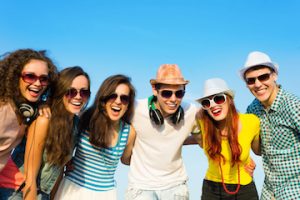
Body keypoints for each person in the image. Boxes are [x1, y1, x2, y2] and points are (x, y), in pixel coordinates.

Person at [122, 64, 198, 200]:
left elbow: (207, 137)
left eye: (179, 93)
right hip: (140, 188)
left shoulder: (191, 112)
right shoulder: (135, 108)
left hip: (176, 188)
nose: (173, 99)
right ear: (154, 90)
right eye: (167, 93)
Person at [55, 74, 136, 200]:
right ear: (103, 98)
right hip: (73, 190)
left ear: (128, 104)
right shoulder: (85, 119)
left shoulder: (128, 132)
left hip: (105, 195)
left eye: (124, 98)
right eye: (112, 96)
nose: (118, 101)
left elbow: (126, 160)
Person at [23, 66, 91, 199]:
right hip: (21, 191)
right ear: (60, 92)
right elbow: (29, 177)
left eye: (84, 92)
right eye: (71, 92)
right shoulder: (44, 119)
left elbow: (57, 170)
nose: (78, 97)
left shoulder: (75, 125)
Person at [240, 51, 300, 200]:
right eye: (251, 80)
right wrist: (245, 159)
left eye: (263, 77)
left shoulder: (293, 106)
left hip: (295, 188)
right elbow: (259, 150)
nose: (258, 84)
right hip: (270, 190)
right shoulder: (252, 110)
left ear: (274, 76)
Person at [0, 49, 58, 199]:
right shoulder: (3, 109)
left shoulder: (22, 109)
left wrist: (42, 103)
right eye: (30, 76)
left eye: (43, 79)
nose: (38, 83)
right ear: (15, 77)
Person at [193, 78, 260, 200]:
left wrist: (246, 158)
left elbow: (258, 150)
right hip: (211, 189)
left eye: (218, 98)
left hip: (244, 188)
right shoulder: (202, 122)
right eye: (206, 103)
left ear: (229, 100)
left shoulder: (251, 122)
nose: (213, 105)